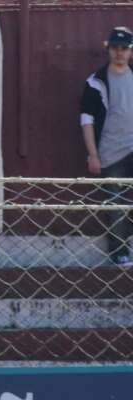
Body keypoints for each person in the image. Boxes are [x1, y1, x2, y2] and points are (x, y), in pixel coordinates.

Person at [81, 26, 133, 266]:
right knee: (117, 205)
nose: (120, 52)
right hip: (111, 154)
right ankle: (119, 251)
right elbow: (87, 119)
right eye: (115, 48)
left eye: (124, 48)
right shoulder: (96, 82)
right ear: (108, 49)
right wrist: (93, 154)